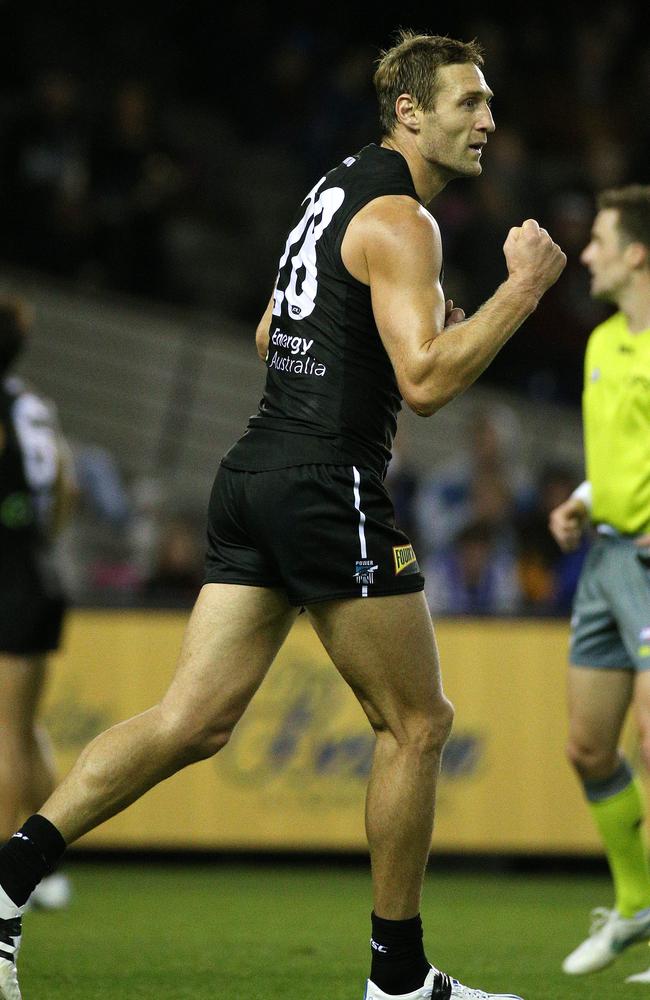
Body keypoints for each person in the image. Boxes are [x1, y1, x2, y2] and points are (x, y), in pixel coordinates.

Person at [0, 31, 566, 1000]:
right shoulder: (403, 219)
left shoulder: (332, 190)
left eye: (486, 102)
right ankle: (396, 981)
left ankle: (4, 884)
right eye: (468, 103)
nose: (487, 120)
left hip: (253, 470)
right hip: (322, 483)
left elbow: (274, 330)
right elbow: (425, 383)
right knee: (417, 723)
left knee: (191, 719)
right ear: (409, 112)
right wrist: (519, 290)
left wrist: (384, 322)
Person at [548, 185, 650, 983]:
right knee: (590, 747)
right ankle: (636, 904)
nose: (586, 253)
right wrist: (582, 500)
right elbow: (619, 455)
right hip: (605, 562)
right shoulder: (603, 343)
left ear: (637, 253)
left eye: (601, 239)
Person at [0, 297, 76, 916]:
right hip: (39, 570)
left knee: (2, 730)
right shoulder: (34, 405)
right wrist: (39, 543)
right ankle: (44, 868)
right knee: (22, 725)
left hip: (8, 574)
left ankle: (9, 871)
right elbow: (68, 489)